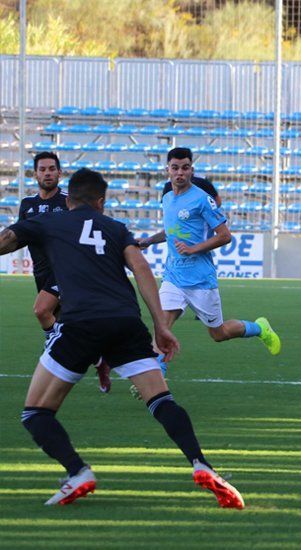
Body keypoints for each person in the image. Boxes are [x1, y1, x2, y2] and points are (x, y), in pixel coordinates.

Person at [0, 168, 244, 508]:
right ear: (102, 202)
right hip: (125, 323)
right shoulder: (116, 228)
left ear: (68, 200)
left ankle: (77, 472)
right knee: (161, 400)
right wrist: (161, 325)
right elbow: (142, 269)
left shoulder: (49, 221)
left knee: (35, 413)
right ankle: (201, 464)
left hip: (80, 323)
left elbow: (5, 241)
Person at [136, 148, 280, 381]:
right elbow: (171, 231)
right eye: (175, 168)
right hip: (173, 275)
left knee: (219, 333)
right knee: (161, 324)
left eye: (185, 168)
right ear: (167, 170)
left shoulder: (202, 199)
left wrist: (193, 248)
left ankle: (259, 328)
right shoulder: (166, 198)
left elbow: (225, 235)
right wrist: (150, 241)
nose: (180, 172)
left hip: (200, 280)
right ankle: (157, 376)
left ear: (191, 170)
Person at [19, 152, 112, 393]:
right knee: (71, 325)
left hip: (66, 269)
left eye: (52, 169)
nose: (47, 173)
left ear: (60, 173)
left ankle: (53, 350)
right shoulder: (27, 205)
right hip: (41, 273)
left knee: (41, 310)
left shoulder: (68, 202)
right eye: (42, 169)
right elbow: (19, 237)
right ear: (35, 174)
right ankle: (100, 361)